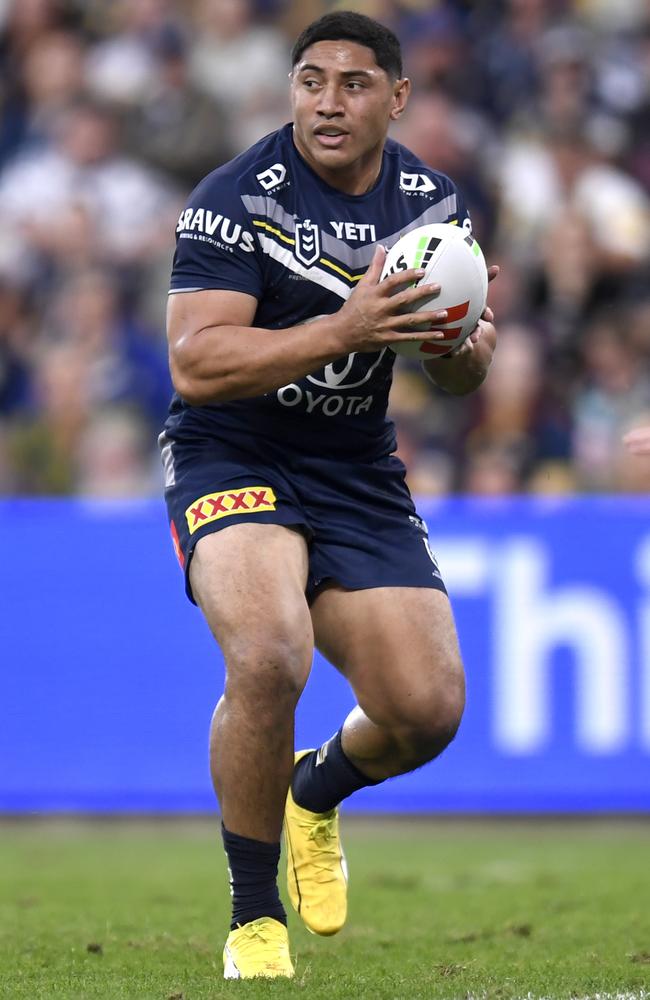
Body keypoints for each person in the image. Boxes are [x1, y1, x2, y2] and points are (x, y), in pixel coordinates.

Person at [161, 10, 497, 980]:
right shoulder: (234, 200)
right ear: (291, 90)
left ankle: (315, 789)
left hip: (352, 464)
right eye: (310, 80)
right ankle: (252, 915)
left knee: (425, 710)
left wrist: (459, 346)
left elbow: (464, 376)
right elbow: (196, 361)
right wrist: (343, 327)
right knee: (269, 657)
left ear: (396, 99)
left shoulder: (432, 205)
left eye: (352, 84)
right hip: (233, 449)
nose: (327, 102)